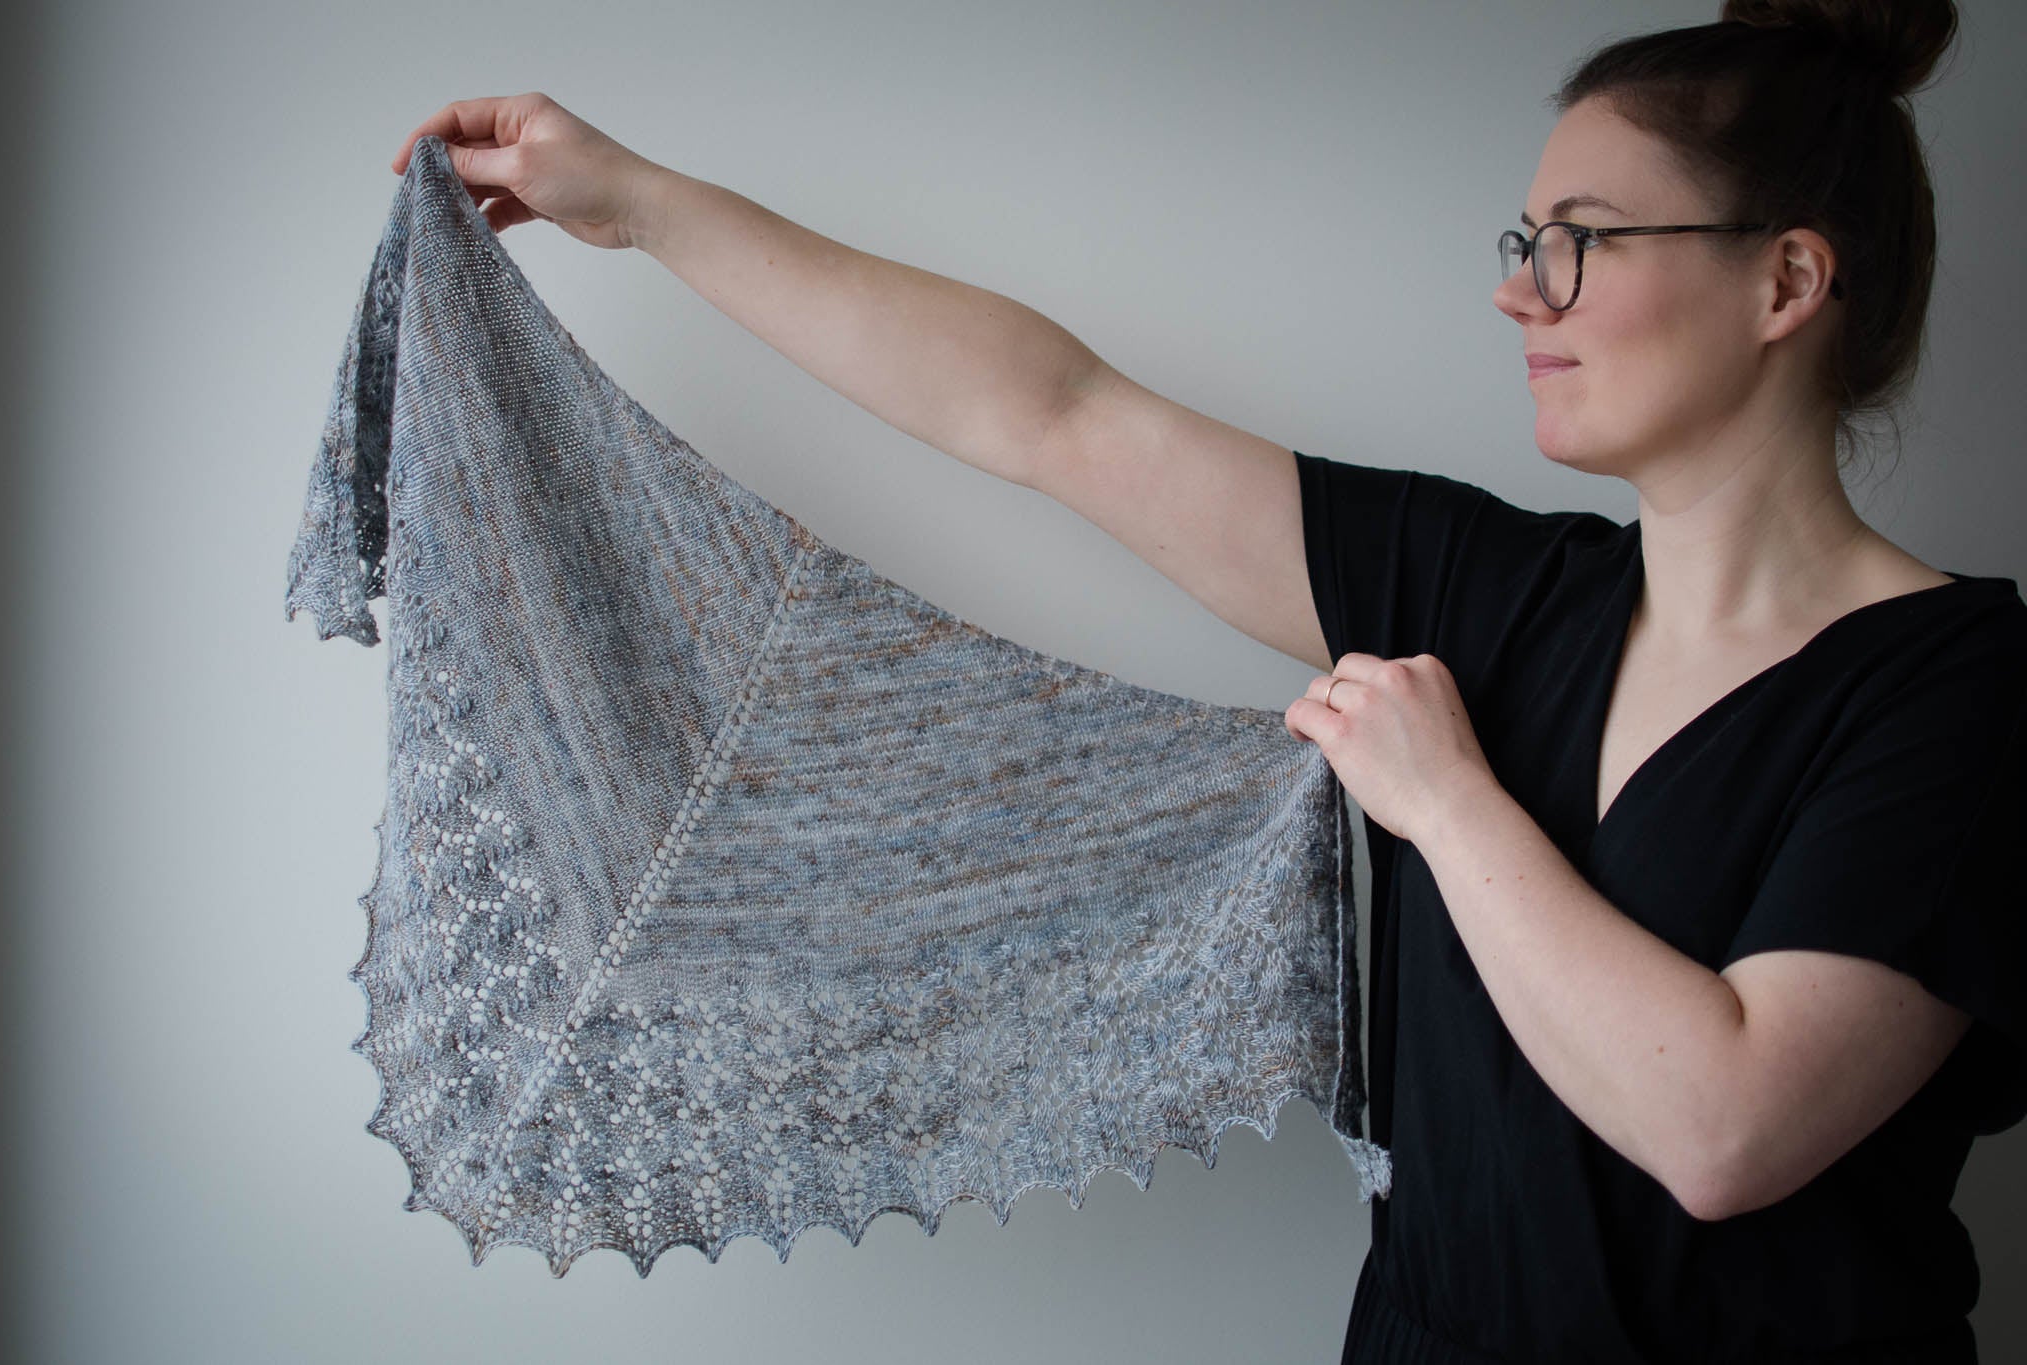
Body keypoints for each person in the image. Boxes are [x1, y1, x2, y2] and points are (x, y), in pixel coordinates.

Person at [388, 0, 2023, 1357]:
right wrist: (640, 204)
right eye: (1527, 239)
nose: (1519, 291)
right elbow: (1053, 413)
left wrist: (1450, 807)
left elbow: (1727, 1123)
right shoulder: (1498, 594)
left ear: (1787, 283)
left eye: (1584, 242)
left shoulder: (1964, 691)